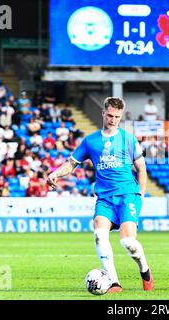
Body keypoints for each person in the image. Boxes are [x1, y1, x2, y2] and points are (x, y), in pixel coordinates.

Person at [47, 97, 154, 293]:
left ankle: (145, 271)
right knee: (99, 234)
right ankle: (114, 283)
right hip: (105, 198)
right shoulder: (91, 141)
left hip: (128, 195)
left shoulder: (129, 139)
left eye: (117, 117)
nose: (113, 120)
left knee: (128, 242)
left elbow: (141, 168)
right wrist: (55, 173)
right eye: (110, 115)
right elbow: (71, 163)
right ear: (103, 113)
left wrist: (141, 194)